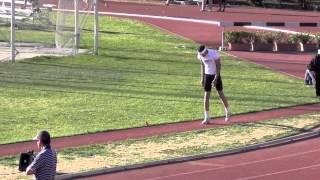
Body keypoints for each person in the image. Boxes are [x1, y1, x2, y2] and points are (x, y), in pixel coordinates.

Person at [197, 45, 231, 124]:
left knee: (220, 94)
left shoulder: (214, 54)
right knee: (206, 96)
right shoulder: (200, 55)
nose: (202, 56)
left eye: (203, 54)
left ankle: (228, 111)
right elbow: (202, 65)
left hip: (216, 75)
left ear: (206, 51)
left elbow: (218, 66)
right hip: (207, 75)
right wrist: (202, 78)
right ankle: (207, 117)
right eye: (200, 54)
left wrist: (216, 78)